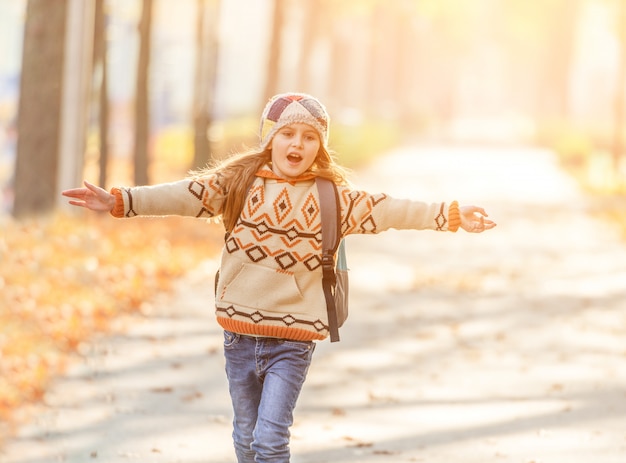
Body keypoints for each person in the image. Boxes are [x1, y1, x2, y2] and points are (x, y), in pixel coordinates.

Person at [62, 92, 496, 463]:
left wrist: (452, 215)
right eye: (288, 133)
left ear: (320, 147)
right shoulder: (237, 184)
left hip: (293, 340)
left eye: (309, 137)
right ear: (270, 138)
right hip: (239, 334)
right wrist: (120, 200)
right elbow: (181, 195)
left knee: (270, 441)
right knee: (245, 439)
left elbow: (392, 209)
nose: (297, 143)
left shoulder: (332, 197)